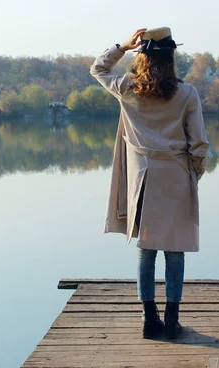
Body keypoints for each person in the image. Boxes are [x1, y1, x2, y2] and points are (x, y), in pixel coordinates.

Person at [90, 27, 209, 339]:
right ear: (171, 56)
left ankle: (148, 320)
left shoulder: (128, 88)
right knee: (175, 249)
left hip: (142, 179)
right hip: (176, 176)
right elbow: (199, 145)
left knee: (146, 249)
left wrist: (122, 46)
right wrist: (193, 175)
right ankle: (171, 321)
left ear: (141, 56)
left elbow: (98, 68)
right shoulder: (187, 94)